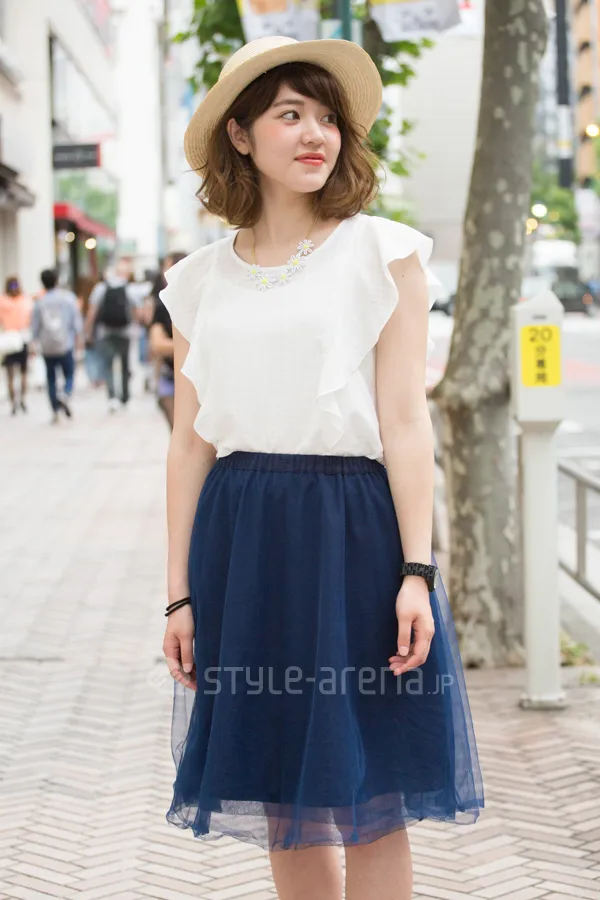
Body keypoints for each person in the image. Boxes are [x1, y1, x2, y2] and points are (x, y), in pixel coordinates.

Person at [160, 36, 484, 900]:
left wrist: (417, 571)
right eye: (290, 114)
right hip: (245, 539)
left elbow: (406, 423)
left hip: (356, 533)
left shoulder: (383, 254)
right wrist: (179, 594)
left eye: (329, 117)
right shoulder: (197, 281)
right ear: (240, 135)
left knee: (374, 792)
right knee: (283, 790)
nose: (316, 135)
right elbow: (189, 443)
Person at [85, 260, 140, 412]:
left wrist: (87, 330)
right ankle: (125, 398)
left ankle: (112, 398)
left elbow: (92, 311)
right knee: (125, 365)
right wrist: (137, 326)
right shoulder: (129, 288)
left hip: (105, 332)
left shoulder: (101, 288)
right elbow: (137, 310)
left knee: (108, 365)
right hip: (126, 332)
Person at [31, 269, 83, 423]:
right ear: (57, 280)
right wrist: (80, 339)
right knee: (69, 374)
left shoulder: (39, 302)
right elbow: (76, 322)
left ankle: (55, 410)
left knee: (51, 378)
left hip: (47, 346)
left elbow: (35, 327)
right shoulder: (68, 298)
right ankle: (65, 394)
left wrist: (34, 343)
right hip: (65, 343)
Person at [147, 253, 188, 429]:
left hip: (185, 378)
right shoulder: (162, 304)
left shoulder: (199, 302)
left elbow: (159, 344)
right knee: (180, 431)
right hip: (170, 376)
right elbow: (157, 344)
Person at [0, 276, 33, 415]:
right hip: (21, 339)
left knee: (10, 374)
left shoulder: (3, 301)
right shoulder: (24, 300)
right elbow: (29, 320)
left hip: (9, 339)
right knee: (22, 373)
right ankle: (22, 400)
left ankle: (14, 402)